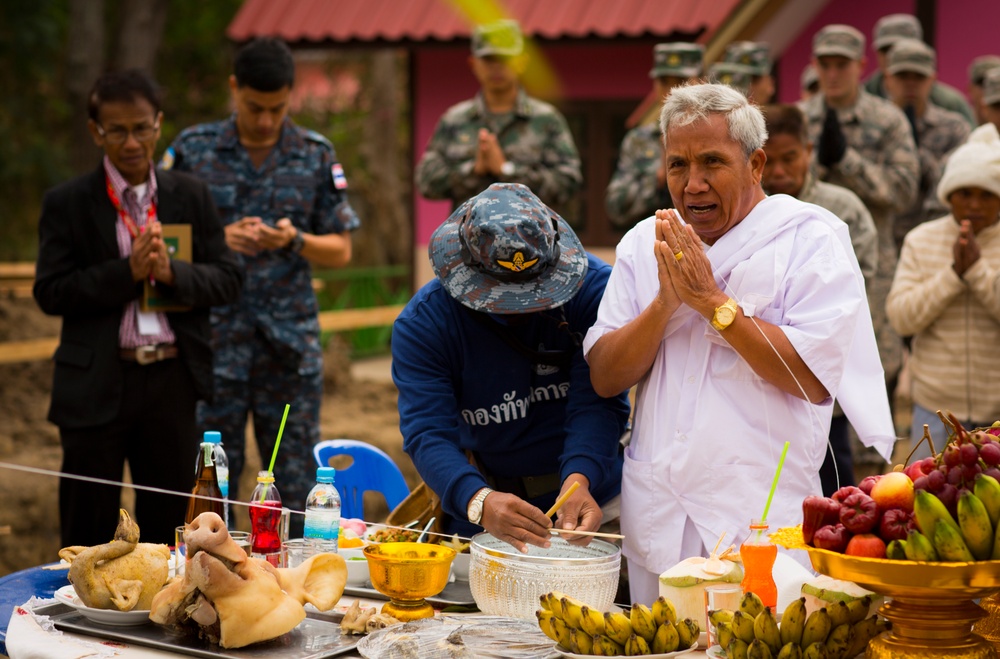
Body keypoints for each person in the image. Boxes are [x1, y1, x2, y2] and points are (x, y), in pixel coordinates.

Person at [584, 83, 894, 604]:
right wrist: (664, 305)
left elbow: (812, 377)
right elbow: (604, 376)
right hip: (661, 513)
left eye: (712, 162)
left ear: (756, 164)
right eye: (678, 164)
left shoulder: (809, 239)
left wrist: (712, 302)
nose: (693, 183)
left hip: (759, 517)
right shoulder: (644, 243)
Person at [33, 70, 243, 547]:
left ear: (158, 125)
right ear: (96, 132)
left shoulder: (190, 195)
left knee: (171, 530)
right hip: (95, 386)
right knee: (88, 532)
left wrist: (172, 274)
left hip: (171, 382)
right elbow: (50, 291)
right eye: (117, 131)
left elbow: (229, 279)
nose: (131, 142)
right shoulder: (68, 203)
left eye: (141, 128)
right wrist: (126, 272)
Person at [164, 38, 360, 533]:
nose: (267, 120)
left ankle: (290, 577)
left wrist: (294, 240)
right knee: (209, 487)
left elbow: (341, 249)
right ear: (234, 89)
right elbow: (160, 244)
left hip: (287, 352)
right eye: (255, 107)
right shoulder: (193, 150)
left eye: (278, 108)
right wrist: (217, 241)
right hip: (214, 347)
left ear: (291, 95)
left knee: (293, 488)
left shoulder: (314, 154)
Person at [391, 182, 630, 552]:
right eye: (500, 300)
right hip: (485, 510)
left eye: (534, 296)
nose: (519, 311)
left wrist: (580, 479)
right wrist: (478, 500)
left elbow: (598, 400)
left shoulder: (594, 292)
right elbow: (428, 432)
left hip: (596, 500)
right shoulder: (425, 324)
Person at [801, 24, 919, 430]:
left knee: (873, 369)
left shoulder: (886, 120)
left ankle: (872, 461)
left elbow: (904, 191)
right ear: (815, 65)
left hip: (872, 268)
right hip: (807, 266)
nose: (833, 73)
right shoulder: (798, 120)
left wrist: (847, 162)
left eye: (842, 64)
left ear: (861, 66)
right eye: (826, 64)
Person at [761, 103, 878, 496]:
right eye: (771, 160)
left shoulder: (842, 209)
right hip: (765, 366)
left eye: (790, 157)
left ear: (809, 151)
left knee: (834, 481)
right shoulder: (744, 214)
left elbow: (859, 285)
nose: (779, 171)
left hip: (828, 368)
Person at [886, 123, 1000, 458]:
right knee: (929, 490)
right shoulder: (921, 240)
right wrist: (952, 276)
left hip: (996, 413)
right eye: (965, 193)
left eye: (986, 194)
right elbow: (901, 317)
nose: (974, 204)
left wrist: (976, 272)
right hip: (935, 412)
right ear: (948, 195)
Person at [415, 20, 581, 215]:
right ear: (473, 63)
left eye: (504, 58)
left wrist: (507, 170)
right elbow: (426, 182)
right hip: (469, 233)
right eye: (488, 59)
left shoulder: (546, 120)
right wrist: (473, 171)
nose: (496, 67)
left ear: (521, 62)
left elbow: (568, 182)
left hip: (530, 232)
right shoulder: (454, 121)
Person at [883, 38, 970, 251]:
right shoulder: (875, 124)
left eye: (919, 77)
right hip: (883, 241)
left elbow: (952, 184)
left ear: (932, 79)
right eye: (903, 76)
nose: (910, 84)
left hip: (934, 242)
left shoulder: (954, 128)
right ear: (888, 79)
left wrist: (917, 154)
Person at [605, 43, 703, 229]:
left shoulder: (717, 137)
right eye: (664, 82)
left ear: (701, 82)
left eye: (681, 81)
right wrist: (657, 179)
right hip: (652, 240)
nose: (672, 91)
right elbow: (615, 207)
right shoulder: (639, 140)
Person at [863, 14, 976, 127]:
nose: (894, 55)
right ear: (876, 53)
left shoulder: (950, 104)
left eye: (904, 49)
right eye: (886, 49)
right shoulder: (862, 97)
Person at [969, 55, 1000, 125]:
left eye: (997, 83)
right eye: (983, 83)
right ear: (970, 89)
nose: (991, 88)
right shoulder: (962, 126)